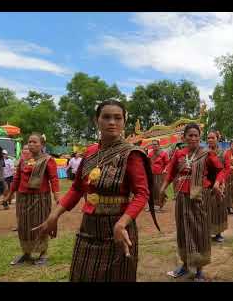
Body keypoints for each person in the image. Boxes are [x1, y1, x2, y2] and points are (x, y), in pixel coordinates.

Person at [34, 100, 158, 281]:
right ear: (97, 121)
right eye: (106, 117)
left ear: (124, 122)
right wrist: (54, 215)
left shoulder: (132, 154)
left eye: (117, 118)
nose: (112, 122)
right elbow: (77, 189)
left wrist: (122, 223)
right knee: (83, 274)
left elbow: (142, 193)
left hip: (118, 228)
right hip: (89, 227)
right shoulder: (91, 152)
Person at [159, 123, 225, 281]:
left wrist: (216, 184)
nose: (193, 138)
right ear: (184, 137)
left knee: (199, 231)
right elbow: (170, 173)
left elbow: (220, 170)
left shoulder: (207, 153)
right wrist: (162, 189)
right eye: (190, 135)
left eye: (196, 135)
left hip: (200, 198)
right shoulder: (179, 154)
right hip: (182, 197)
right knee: (183, 230)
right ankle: (185, 265)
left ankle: (199, 270)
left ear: (199, 137)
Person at [1, 134, 59, 266]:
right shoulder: (23, 160)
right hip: (22, 198)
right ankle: (26, 253)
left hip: (40, 198)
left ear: (42, 145)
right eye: (29, 142)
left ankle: (43, 253)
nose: (31, 144)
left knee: (40, 225)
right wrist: (9, 194)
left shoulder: (48, 160)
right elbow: (16, 179)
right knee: (23, 226)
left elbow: (54, 178)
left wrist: (56, 195)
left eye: (34, 142)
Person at [205, 130, 228, 243]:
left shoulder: (223, 153)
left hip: (219, 183)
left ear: (217, 139)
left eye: (212, 138)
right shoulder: (203, 152)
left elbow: (225, 169)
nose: (210, 140)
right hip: (206, 184)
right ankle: (207, 231)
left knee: (218, 207)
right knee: (206, 208)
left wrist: (222, 183)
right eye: (208, 138)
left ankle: (218, 233)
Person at [147, 139, 169, 212]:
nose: (154, 146)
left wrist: (165, 170)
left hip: (160, 174)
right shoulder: (150, 154)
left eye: (156, 144)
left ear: (159, 145)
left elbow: (167, 163)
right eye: (153, 144)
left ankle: (160, 206)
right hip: (151, 174)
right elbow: (147, 163)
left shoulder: (163, 153)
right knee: (151, 190)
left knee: (159, 190)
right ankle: (151, 206)